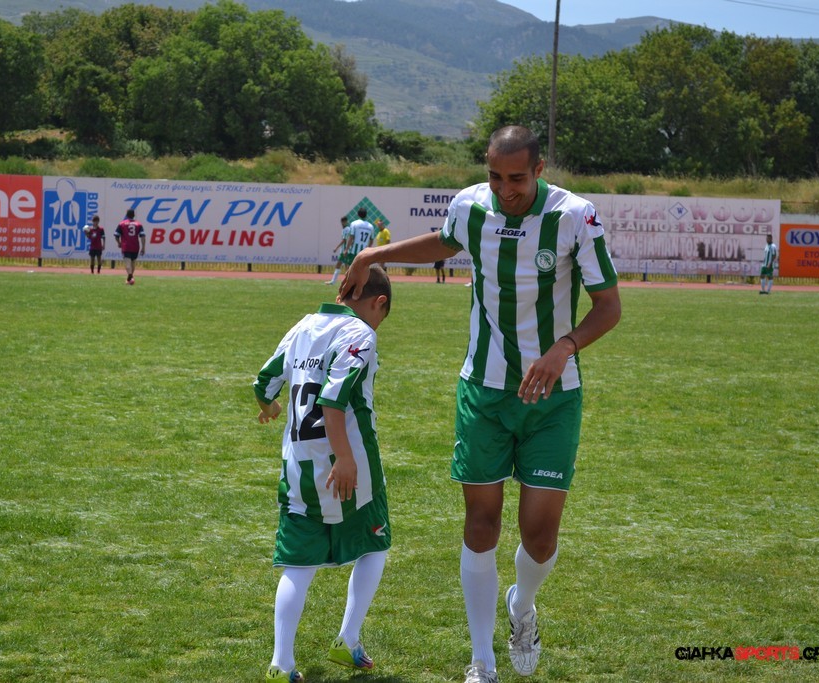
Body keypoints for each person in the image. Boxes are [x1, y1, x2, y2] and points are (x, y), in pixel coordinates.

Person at [339, 125, 621, 682]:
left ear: (539, 170)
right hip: (483, 393)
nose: (505, 189)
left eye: (516, 178)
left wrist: (564, 347)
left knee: (540, 536)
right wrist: (374, 254)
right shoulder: (470, 206)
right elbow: (445, 241)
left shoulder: (574, 216)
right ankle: (482, 661)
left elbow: (609, 306)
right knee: (481, 523)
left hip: (552, 398)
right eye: (495, 176)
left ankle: (522, 606)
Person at [254, 265, 393, 683]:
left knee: (298, 565)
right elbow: (333, 401)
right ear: (378, 303)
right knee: (375, 544)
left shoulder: (303, 325)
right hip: (349, 463)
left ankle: (281, 663)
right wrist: (345, 458)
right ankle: (348, 639)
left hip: (298, 466)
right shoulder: (359, 333)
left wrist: (269, 407)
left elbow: (264, 382)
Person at [114, 208, 145, 285]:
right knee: (133, 263)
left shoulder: (122, 224)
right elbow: (143, 236)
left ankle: (130, 276)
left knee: (127, 263)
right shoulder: (139, 224)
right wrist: (143, 247)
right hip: (135, 246)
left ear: (127, 215)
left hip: (126, 246)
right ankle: (130, 279)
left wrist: (119, 243)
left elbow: (116, 235)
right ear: (134, 215)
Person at [326, 216, 352, 285]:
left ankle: (334, 281)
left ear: (346, 222)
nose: (342, 223)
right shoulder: (347, 229)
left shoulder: (346, 229)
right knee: (346, 266)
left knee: (340, 265)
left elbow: (344, 240)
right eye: (342, 222)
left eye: (343, 222)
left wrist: (336, 248)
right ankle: (347, 281)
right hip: (346, 251)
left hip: (344, 251)